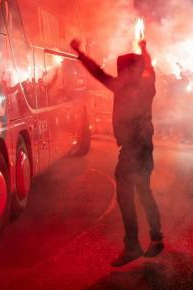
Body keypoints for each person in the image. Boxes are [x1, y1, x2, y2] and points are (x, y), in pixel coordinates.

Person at [70, 38, 164, 266]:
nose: (118, 72)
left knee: (126, 195)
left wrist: (80, 53)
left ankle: (132, 246)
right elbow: (149, 68)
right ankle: (155, 238)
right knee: (144, 192)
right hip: (144, 148)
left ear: (127, 70)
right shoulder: (148, 84)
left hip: (133, 149)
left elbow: (97, 72)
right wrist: (144, 50)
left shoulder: (120, 86)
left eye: (121, 69)